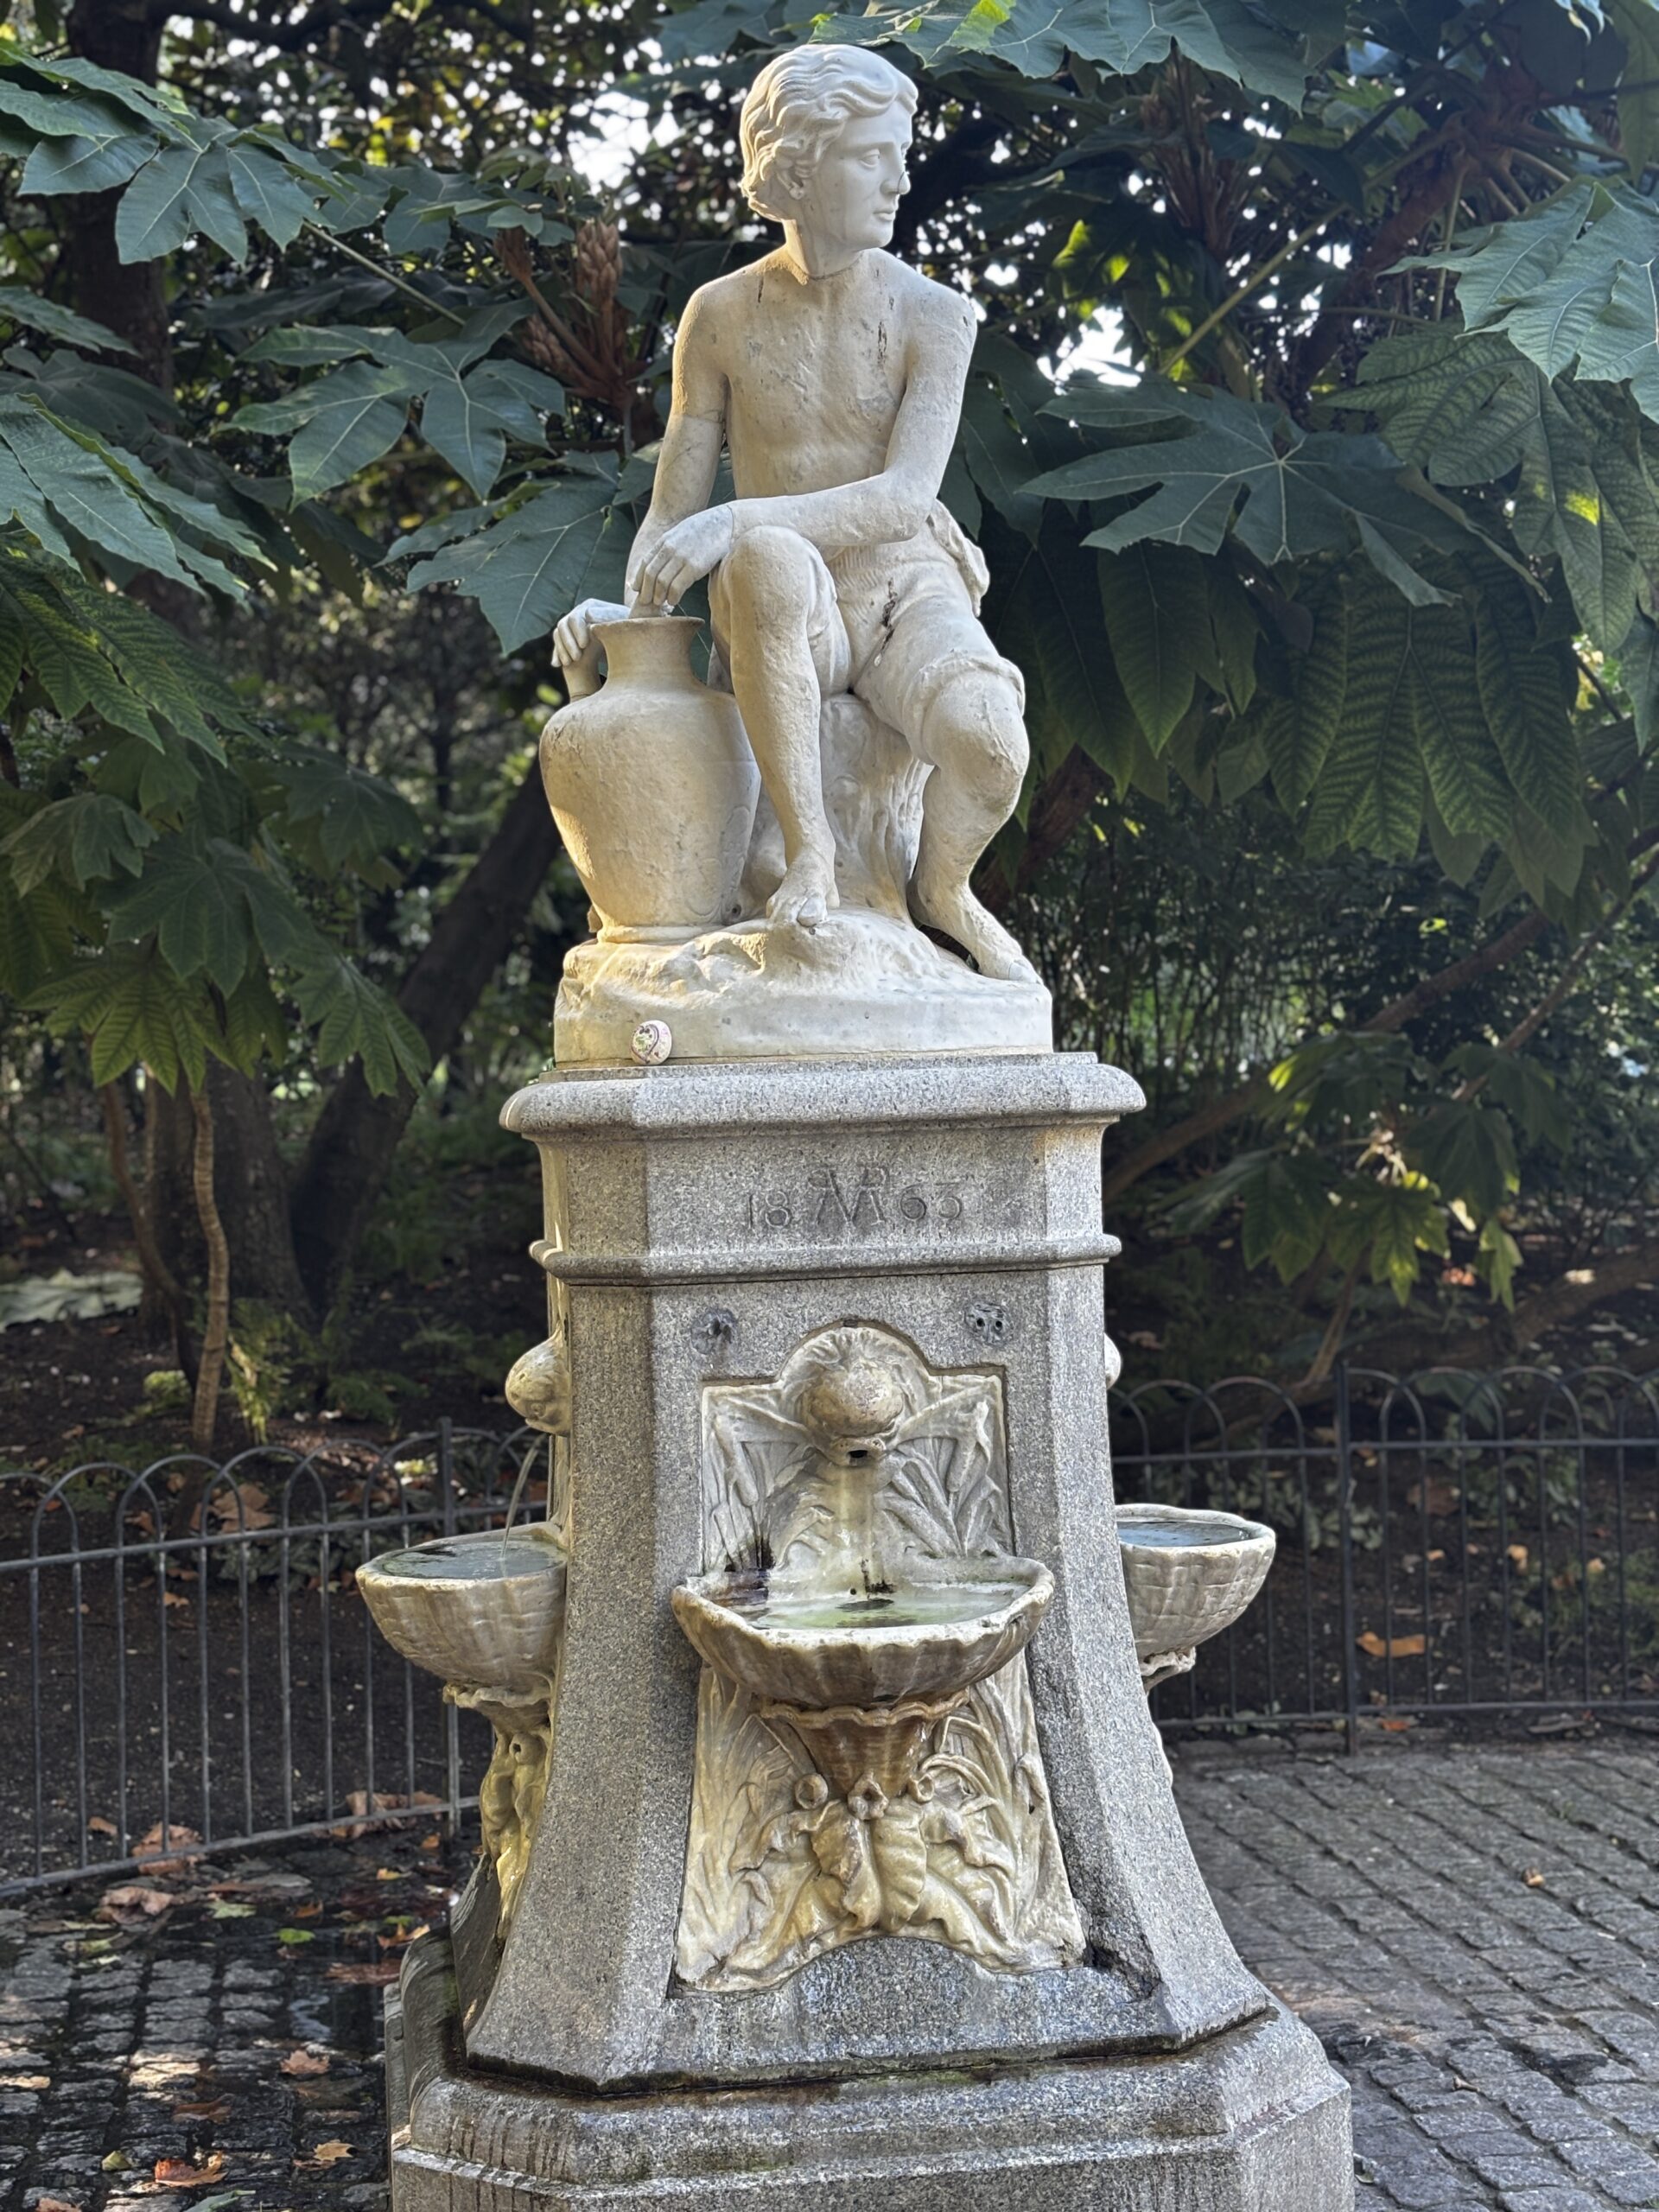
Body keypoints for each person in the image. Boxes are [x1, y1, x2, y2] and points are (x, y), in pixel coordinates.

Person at [553, 43, 1035, 984]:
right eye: (873, 157)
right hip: (784, 605)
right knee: (765, 556)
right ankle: (809, 854)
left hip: (903, 592)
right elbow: (674, 512)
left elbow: (903, 499)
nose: (900, 180)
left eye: (901, 155)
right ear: (799, 168)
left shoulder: (936, 316)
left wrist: (731, 522)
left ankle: (944, 888)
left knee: (990, 746)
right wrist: (634, 624)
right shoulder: (719, 316)